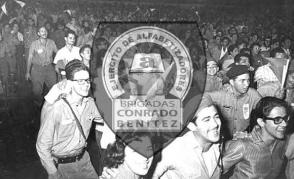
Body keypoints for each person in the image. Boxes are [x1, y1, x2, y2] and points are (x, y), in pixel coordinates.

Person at [36, 60, 102, 179]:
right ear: (69, 83)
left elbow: (109, 120)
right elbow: (42, 145)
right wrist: (52, 172)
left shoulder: (90, 104)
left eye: (87, 80)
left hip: (85, 160)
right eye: (80, 81)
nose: (86, 85)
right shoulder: (57, 108)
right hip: (63, 166)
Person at [151, 99, 222, 179]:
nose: (215, 124)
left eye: (216, 117)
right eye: (207, 120)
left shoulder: (217, 145)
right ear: (191, 126)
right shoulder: (176, 148)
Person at [222, 97, 290, 179]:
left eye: (285, 118)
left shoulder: (282, 142)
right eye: (277, 119)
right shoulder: (243, 146)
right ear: (261, 122)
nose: (284, 124)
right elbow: (215, 173)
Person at [202, 65, 261, 138]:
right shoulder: (222, 94)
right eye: (242, 81)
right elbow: (203, 97)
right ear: (232, 82)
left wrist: (250, 135)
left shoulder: (253, 94)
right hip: (223, 137)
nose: (247, 84)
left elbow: (265, 110)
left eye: (248, 80)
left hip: (243, 136)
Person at [25, 26, 58, 106]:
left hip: (49, 67)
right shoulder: (34, 44)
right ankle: (38, 104)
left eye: (45, 31)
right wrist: (27, 72)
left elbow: (58, 53)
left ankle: (51, 105)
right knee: (37, 91)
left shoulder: (51, 42)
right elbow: (30, 58)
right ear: (38, 33)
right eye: (42, 31)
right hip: (37, 69)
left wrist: (57, 64)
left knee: (54, 87)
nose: (44, 32)